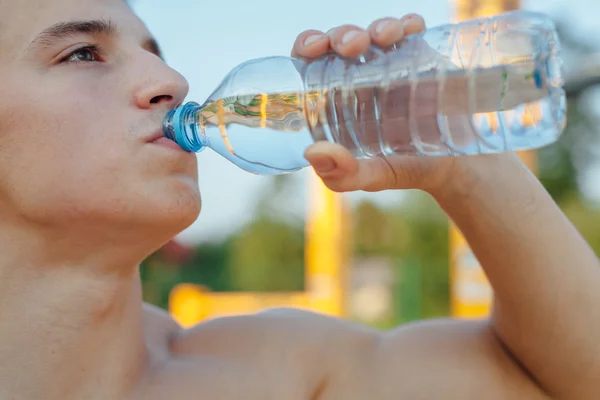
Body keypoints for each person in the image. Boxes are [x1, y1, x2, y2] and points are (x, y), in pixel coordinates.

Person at [0, 0, 598, 398]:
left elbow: (570, 382)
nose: (172, 82)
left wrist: (467, 167)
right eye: (82, 54)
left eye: (154, 52)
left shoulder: (276, 371)